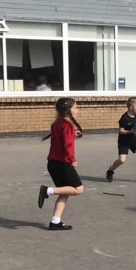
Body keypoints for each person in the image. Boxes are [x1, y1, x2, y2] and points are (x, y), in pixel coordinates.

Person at [37, 97, 84, 230]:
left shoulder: (57, 123)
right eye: (75, 108)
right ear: (68, 110)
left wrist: (73, 134)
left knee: (65, 192)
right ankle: (48, 190)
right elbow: (67, 145)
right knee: (78, 189)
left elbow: (62, 138)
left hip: (53, 163)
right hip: (62, 163)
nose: (77, 110)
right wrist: (72, 159)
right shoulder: (68, 125)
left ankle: (55, 221)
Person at [106, 97, 136, 183]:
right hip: (124, 141)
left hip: (133, 140)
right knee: (121, 160)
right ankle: (110, 171)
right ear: (131, 107)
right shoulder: (124, 117)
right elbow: (121, 131)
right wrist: (130, 131)